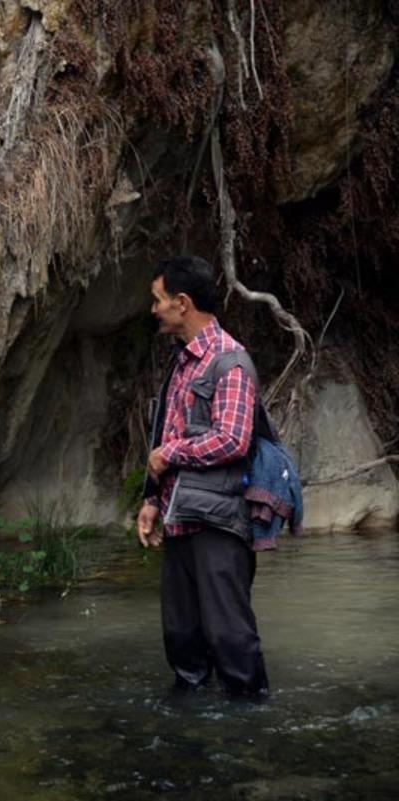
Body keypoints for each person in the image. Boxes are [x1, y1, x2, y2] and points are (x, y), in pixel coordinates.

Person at [138, 255, 269, 698]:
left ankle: (250, 729)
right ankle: (190, 735)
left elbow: (232, 439)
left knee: (230, 639)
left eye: (157, 300)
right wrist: (152, 501)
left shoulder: (229, 362)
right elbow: (168, 436)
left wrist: (170, 454)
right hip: (180, 519)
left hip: (218, 523)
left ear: (182, 302)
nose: (153, 309)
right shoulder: (181, 363)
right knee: (182, 640)